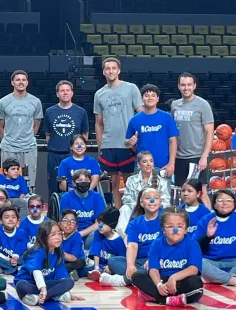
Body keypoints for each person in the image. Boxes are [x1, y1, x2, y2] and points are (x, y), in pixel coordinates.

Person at [94, 57, 143, 208]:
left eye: (113, 68)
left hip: (127, 144)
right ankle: (117, 212)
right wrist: (100, 147)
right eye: (107, 68)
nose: (110, 71)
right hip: (109, 144)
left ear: (119, 70)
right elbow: (98, 123)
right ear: (103, 72)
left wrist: (137, 138)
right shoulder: (99, 94)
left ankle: (132, 210)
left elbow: (140, 113)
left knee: (130, 181)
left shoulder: (131, 88)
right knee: (113, 183)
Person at [131, 207, 204, 307]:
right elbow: (153, 269)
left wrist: (174, 278)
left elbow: (193, 269)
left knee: (196, 284)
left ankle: (156, 297)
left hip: (181, 281)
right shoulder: (156, 244)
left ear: (186, 229)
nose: (175, 230)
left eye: (180, 226)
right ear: (163, 230)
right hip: (162, 280)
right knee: (137, 276)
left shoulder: (192, 244)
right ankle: (168, 299)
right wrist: (159, 285)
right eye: (170, 226)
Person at [194, 189, 236, 288]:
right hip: (211, 262)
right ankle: (233, 280)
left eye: (229, 200)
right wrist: (208, 236)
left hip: (235, 261)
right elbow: (195, 247)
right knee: (199, 263)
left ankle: (216, 278)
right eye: (220, 200)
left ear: (234, 204)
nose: (224, 203)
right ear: (214, 204)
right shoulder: (206, 219)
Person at [171, 72, 214, 208]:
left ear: (194, 86)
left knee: (201, 192)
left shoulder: (203, 105)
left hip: (196, 157)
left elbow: (209, 131)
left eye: (189, 85)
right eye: (183, 85)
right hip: (179, 157)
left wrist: (204, 157)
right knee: (184, 192)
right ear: (178, 86)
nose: (186, 88)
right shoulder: (175, 105)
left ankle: (211, 222)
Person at [15, 220, 83, 305]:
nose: (58, 237)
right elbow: (36, 271)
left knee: (69, 282)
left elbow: (62, 276)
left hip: (46, 285)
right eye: (53, 234)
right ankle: (50, 296)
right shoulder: (37, 252)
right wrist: (43, 290)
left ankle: (38, 298)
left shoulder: (59, 253)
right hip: (31, 284)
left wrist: (68, 292)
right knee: (21, 285)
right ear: (44, 237)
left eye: (59, 234)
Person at [105, 188, 163, 287]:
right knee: (113, 261)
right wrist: (131, 265)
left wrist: (153, 260)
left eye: (155, 198)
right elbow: (132, 246)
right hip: (140, 262)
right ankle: (139, 278)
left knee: (157, 267)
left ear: (160, 202)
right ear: (141, 202)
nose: (152, 201)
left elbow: (168, 244)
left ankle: (124, 280)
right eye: (148, 198)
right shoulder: (135, 223)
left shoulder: (166, 218)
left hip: (161, 259)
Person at [0, 70, 43, 190]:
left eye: (23, 80)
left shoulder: (35, 101)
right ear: (12, 82)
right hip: (9, 147)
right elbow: (0, 125)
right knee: (8, 181)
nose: (21, 82)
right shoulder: (3, 102)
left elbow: (37, 122)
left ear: (27, 82)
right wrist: (6, 140)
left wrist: (30, 137)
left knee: (30, 181)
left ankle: (29, 203)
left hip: (29, 147)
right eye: (18, 80)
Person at [44, 80, 89, 195]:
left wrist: (77, 151)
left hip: (73, 156)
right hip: (54, 155)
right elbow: (48, 135)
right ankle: (54, 212)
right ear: (57, 94)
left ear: (72, 93)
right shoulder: (49, 112)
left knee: (73, 186)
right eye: (62, 91)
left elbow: (84, 134)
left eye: (68, 90)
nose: (65, 93)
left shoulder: (81, 112)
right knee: (54, 188)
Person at [125, 84, 178, 178]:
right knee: (142, 193)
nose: (150, 98)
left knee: (163, 193)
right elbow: (127, 143)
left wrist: (171, 163)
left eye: (153, 95)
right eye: (146, 96)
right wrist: (130, 141)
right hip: (141, 167)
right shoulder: (135, 120)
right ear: (142, 99)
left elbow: (173, 141)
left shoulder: (166, 117)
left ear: (158, 98)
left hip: (163, 166)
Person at [118, 151, 171, 234]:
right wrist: (140, 206)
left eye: (151, 161)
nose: (149, 164)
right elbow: (126, 198)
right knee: (125, 208)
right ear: (139, 165)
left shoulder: (162, 182)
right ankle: (122, 237)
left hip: (154, 210)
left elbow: (166, 202)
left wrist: (151, 206)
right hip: (136, 209)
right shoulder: (131, 180)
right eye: (144, 161)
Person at [59, 169, 106, 250]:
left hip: (90, 234)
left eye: (86, 180)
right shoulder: (66, 197)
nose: (83, 182)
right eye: (80, 180)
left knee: (100, 233)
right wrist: (75, 235)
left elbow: (99, 222)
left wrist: (81, 234)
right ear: (74, 183)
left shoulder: (97, 197)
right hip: (71, 233)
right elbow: (65, 222)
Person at [87, 206, 127, 282]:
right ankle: (98, 274)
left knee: (115, 267)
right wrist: (96, 268)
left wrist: (110, 267)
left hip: (112, 267)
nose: (100, 226)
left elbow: (122, 259)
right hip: (100, 266)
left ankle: (107, 277)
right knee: (84, 269)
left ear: (111, 225)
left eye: (103, 224)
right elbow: (96, 250)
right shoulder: (97, 234)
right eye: (98, 223)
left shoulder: (119, 240)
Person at [0, 205, 29, 275]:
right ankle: (14, 269)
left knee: (30, 254)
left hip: (18, 258)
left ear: (17, 220)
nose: (10, 219)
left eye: (13, 217)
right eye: (7, 217)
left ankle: (7, 269)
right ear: (0, 220)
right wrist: (9, 260)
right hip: (3, 259)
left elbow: (21, 248)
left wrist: (15, 257)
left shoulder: (21, 233)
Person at [59, 210, 86, 279]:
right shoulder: (57, 234)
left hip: (74, 260)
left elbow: (73, 258)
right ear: (59, 224)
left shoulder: (77, 236)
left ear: (76, 227)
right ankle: (69, 273)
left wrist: (58, 253)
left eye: (72, 221)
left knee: (80, 263)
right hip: (61, 260)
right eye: (65, 220)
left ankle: (63, 272)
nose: (68, 223)